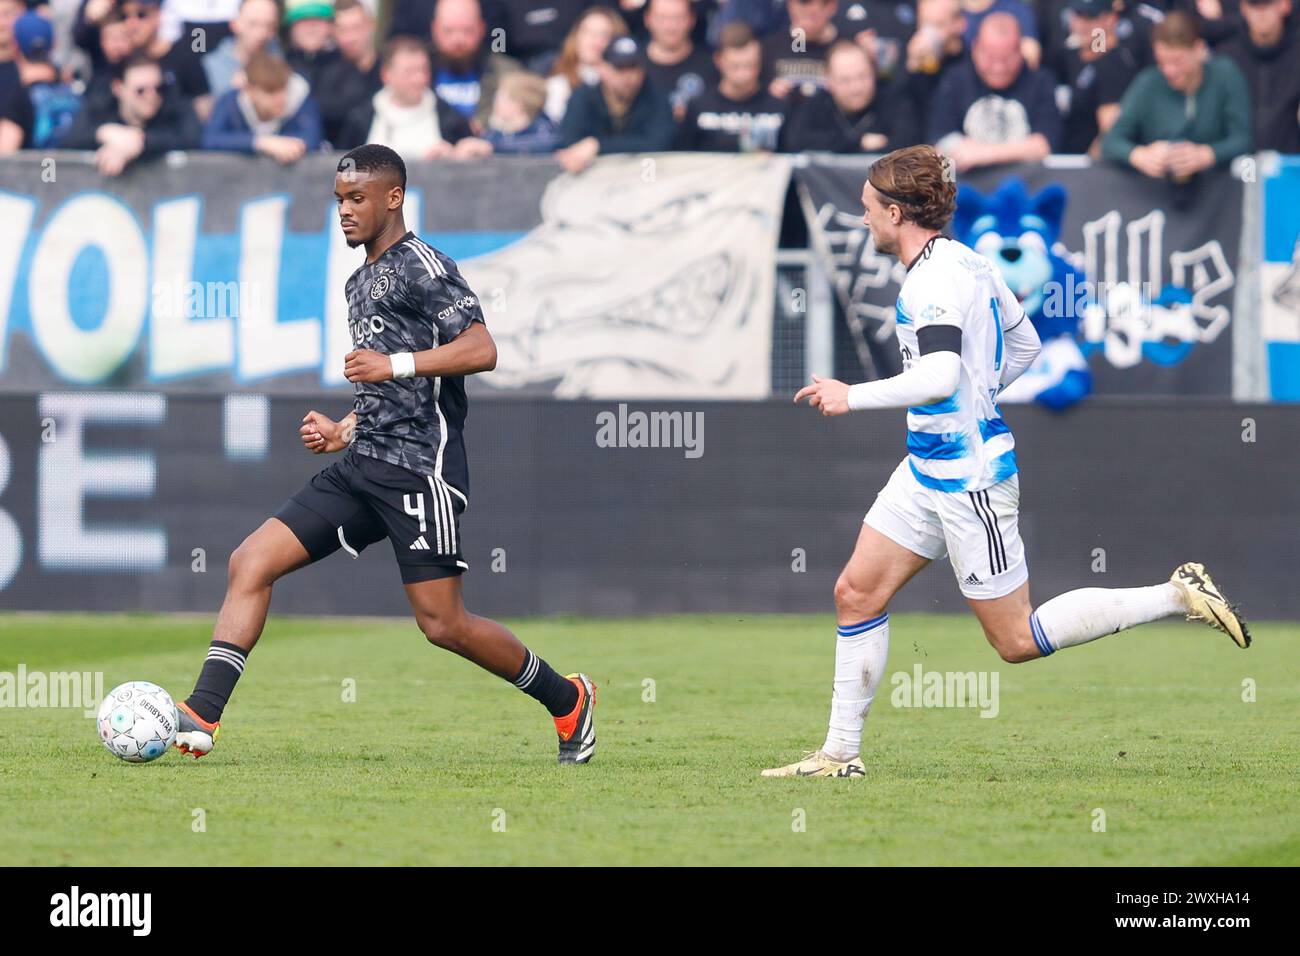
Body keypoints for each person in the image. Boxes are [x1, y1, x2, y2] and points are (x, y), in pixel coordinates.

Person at [762, 144, 1250, 778]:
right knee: (856, 592)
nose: (864, 222)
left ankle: (1175, 595)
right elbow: (1023, 343)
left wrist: (852, 395)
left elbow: (938, 374)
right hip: (926, 468)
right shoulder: (970, 262)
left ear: (896, 212)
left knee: (1015, 640)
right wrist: (982, 392)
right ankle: (839, 755)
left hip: (971, 480)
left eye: (868, 211)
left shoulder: (933, 279)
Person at [170, 143, 598, 768]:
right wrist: (344, 429)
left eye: (357, 199)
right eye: (339, 199)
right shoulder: (360, 278)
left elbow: (482, 349)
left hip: (420, 470)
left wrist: (392, 364)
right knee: (250, 561)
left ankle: (568, 699)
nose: (344, 211)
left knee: (443, 626)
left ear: (393, 197)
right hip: (363, 460)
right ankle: (201, 713)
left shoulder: (424, 265)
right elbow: (388, 388)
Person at [1102, 11, 1251, 178]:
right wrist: (1138, 155)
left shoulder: (1225, 75)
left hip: (1219, 190)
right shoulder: (1149, 83)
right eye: (1162, 62)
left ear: (1199, 49)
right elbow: (1111, 140)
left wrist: (1208, 154)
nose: (1169, 70)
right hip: (1156, 191)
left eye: (1177, 61)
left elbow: (1244, 139)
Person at [928, 12, 1061, 171]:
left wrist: (983, 153)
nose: (998, 67)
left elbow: (1044, 145)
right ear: (975, 48)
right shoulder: (955, 79)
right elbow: (939, 141)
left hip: (1026, 187)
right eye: (990, 58)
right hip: (965, 187)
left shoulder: (1040, 81)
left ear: (1020, 50)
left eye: (1006, 58)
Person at [336, 36, 486, 159]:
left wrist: (456, 156)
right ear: (386, 75)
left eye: (423, 70)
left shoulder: (450, 118)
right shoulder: (360, 119)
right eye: (409, 72)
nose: (419, 79)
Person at [60, 52, 202, 174]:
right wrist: (103, 132)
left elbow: (192, 138)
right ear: (118, 88)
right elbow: (65, 143)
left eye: (158, 88)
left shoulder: (173, 104)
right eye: (140, 91)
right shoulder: (100, 107)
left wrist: (140, 142)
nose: (151, 96)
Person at [555, 34, 674, 172]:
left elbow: (657, 144)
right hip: (592, 180)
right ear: (601, 68)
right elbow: (571, 144)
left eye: (633, 67)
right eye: (619, 68)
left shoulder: (657, 96)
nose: (629, 76)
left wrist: (597, 145)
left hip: (645, 177)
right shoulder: (583, 96)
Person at [780, 37, 916, 151]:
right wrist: (858, 143)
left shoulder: (893, 101)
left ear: (874, 73)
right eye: (845, 80)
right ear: (828, 81)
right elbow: (795, 141)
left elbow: (907, 144)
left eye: (863, 76)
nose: (856, 88)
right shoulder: (816, 104)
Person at [676, 20, 787, 150]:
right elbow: (683, 158)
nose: (744, 75)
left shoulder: (779, 107)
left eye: (750, 65)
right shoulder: (698, 107)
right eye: (735, 66)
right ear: (718, 60)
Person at [201, 49, 323, 160]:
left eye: (283, 89)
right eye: (270, 92)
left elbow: (312, 138)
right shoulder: (230, 101)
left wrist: (282, 145)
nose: (281, 98)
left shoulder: (300, 95)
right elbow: (211, 140)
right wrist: (261, 142)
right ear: (249, 90)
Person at [1057, 0, 1142, 156]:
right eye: (1077, 15)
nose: (1081, 24)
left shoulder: (1115, 65)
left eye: (1089, 18)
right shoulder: (1073, 56)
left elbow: (1110, 131)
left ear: (1109, 20)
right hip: (1064, 158)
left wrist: (1087, 167)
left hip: (1088, 167)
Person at [1220, 0, 1300, 153]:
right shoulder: (1225, 57)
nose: (1261, 14)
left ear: (1285, 5)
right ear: (1243, 8)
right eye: (1254, 5)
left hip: (1292, 162)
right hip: (1239, 162)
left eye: (1268, 4)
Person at [428, 0, 522, 129]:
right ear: (435, 29)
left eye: (467, 31)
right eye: (448, 31)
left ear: (481, 28)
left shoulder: (507, 73)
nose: (458, 40)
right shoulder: (413, 72)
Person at [545, 4, 628, 123]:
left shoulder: (630, 81)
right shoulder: (558, 85)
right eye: (587, 32)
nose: (594, 39)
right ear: (576, 36)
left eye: (604, 34)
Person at [315, 0, 383, 145]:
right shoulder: (323, 74)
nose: (349, 37)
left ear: (371, 25)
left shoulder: (389, 70)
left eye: (356, 28)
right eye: (342, 29)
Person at [643, 0, 718, 120]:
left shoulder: (712, 65)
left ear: (691, 20)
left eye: (678, 18)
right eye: (662, 18)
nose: (670, 26)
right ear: (647, 19)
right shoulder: (632, 64)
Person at [203, 0, 282, 100]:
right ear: (235, 24)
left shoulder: (282, 59)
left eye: (269, 25)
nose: (261, 33)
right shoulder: (210, 65)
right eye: (253, 24)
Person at [761, 0, 840, 99]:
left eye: (813, 17)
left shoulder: (849, 48)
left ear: (831, 7)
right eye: (798, 16)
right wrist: (769, 92)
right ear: (790, 7)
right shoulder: (769, 48)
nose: (805, 23)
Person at [482, 69, 560, 153]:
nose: (495, 102)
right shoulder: (496, 133)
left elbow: (544, 144)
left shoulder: (544, 130)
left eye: (500, 97)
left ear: (517, 105)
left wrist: (491, 147)